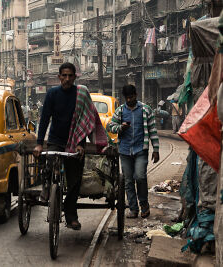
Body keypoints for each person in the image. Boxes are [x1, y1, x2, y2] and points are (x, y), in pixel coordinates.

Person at [34, 62, 105, 231]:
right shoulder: (52, 94)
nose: (67, 79)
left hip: (75, 143)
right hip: (55, 141)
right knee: (48, 163)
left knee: (74, 180)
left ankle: (71, 216)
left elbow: (87, 120)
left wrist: (81, 145)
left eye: (70, 76)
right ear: (59, 77)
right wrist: (38, 144)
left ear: (75, 77)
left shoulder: (81, 94)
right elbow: (44, 120)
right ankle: (46, 188)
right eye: (64, 75)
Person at [107, 84, 160, 219]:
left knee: (140, 177)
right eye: (127, 98)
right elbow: (110, 127)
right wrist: (120, 128)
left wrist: (156, 149)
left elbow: (153, 130)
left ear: (136, 95)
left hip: (141, 149)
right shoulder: (120, 111)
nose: (130, 100)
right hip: (124, 151)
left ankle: (144, 205)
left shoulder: (146, 110)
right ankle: (133, 208)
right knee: (128, 181)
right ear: (124, 98)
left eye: (131, 97)